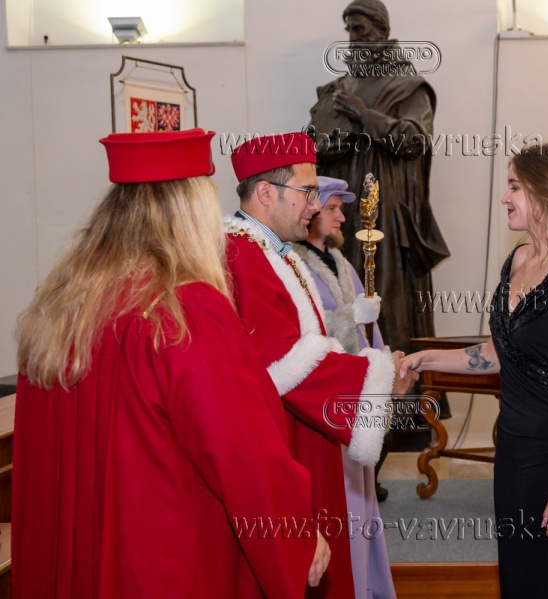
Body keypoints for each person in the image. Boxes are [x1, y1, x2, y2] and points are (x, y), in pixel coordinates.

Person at [13, 128, 329, 598]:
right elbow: (241, 451)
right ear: (190, 213)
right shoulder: (185, 309)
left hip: (83, 557)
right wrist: (294, 533)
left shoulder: (60, 306)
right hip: (165, 558)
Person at [400, 143, 548, 598]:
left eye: (514, 187)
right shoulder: (521, 259)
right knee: (520, 578)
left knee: (547, 580)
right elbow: (500, 351)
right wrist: (426, 358)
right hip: (513, 451)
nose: (504, 197)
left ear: (545, 195)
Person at [226, 132, 416, 599]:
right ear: (266, 193)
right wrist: (376, 377)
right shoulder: (243, 255)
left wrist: (373, 369)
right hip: (285, 438)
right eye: (307, 191)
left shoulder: (272, 250)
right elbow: (281, 360)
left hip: (307, 431)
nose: (315, 205)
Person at [308, 0, 450, 356]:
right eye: (349, 30)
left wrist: (364, 116)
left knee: (387, 295)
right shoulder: (336, 88)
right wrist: (326, 144)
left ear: (382, 31)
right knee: (341, 289)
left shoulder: (408, 86)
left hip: (385, 213)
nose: (352, 37)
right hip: (339, 208)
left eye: (360, 28)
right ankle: (349, 375)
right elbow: (311, 144)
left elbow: (414, 140)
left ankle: (401, 380)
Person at [296, 176, 396, 599]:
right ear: (311, 212)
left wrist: (384, 364)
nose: (342, 217)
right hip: (327, 402)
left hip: (359, 397)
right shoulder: (296, 266)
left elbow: (366, 334)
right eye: (333, 208)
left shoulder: (343, 263)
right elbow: (304, 336)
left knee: (363, 499)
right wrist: (349, 318)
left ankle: (369, 584)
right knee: (341, 500)